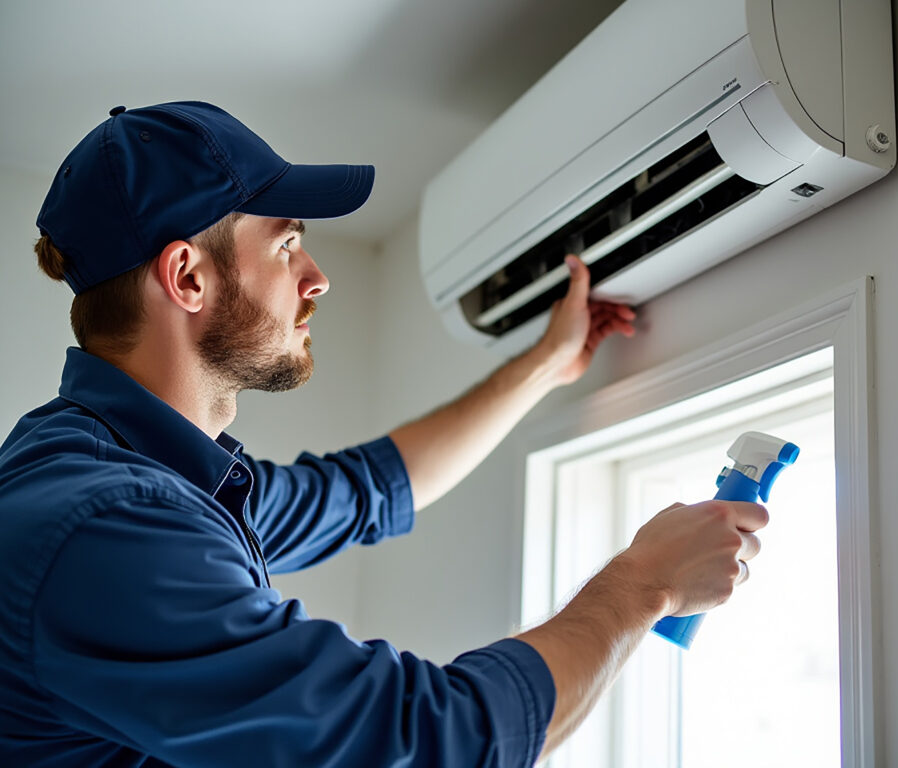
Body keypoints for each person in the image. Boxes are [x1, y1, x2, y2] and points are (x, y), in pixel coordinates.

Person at [0, 102, 768, 767]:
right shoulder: (109, 527)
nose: (316, 277)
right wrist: (643, 586)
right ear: (188, 277)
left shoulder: (148, 476)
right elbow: (430, 743)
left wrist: (542, 366)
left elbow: (370, 487)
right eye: (287, 242)